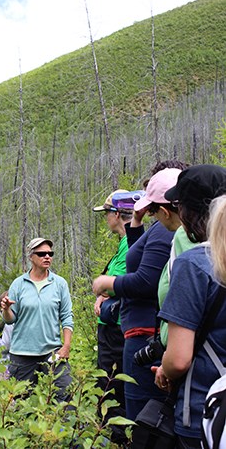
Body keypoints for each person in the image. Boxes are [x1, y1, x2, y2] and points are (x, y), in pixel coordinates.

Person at [93, 170, 176, 421]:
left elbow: (145, 280)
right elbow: (139, 262)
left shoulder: (166, 229)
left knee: (140, 413)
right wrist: (137, 222)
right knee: (131, 403)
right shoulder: (155, 229)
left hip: (143, 332)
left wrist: (110, 284)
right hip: (135, 331)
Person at [152, 164, 226, 448]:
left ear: (191, 212)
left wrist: (164, 372)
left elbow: (179, 358)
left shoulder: (194, 265)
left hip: (204, 412)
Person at [92, 188, 144, 445]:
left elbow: (121, 283)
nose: (106, 219)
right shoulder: (125, 243)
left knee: (113, 384)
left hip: (118, 330)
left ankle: (118, 437)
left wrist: (104, 290)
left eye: (106, 214)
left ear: (116, 214)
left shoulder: (130, 245)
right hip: (113, 328)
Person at [0, 237, 74, 402]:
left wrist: (66, 345)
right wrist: (6, 309)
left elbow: (67, 316)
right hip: (22, 354)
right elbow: (10, 319)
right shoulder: (18, 284)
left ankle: (63, 428)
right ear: (31, 257)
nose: (47, 257)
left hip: (53, 352)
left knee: (66, 397)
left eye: (50, 253)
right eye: (42, 254)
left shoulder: (60, 284)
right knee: (21, 402)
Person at [133, 168, 197, 347]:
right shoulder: (208, 234)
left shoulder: (183, 238)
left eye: (153, 212)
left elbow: (184, 304)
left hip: (189, 354)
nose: (154, 218)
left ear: (165, 211)